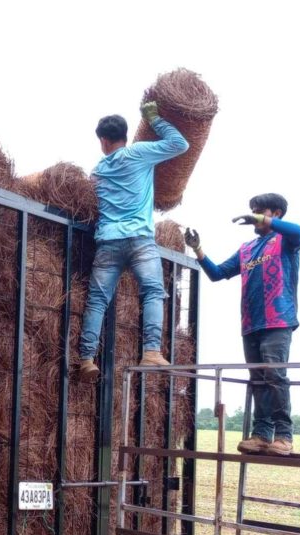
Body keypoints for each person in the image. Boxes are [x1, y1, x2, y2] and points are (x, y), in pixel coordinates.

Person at [184, 195, 300, 455]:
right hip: (251, 323)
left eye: (260, 212)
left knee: (275, 375)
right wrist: (198, 249)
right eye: (253, 212)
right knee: (258, 379)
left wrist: (262, 219)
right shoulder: (247, 249)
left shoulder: (286, 241)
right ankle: (262, 434)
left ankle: (284, 436)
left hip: (278, 319)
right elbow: (218, 274)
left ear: (277, 212)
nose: (253, 217)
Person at [76, 105, 189, 380]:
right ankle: (151, 350)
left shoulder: (98, 170)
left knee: (97, 301)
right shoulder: (139, 153)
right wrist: (154, 119)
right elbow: (181, 144)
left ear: (103, 140)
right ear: (125, 136)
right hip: (139, 239)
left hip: (108, 242)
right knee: (152, 291)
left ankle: (86, 359)